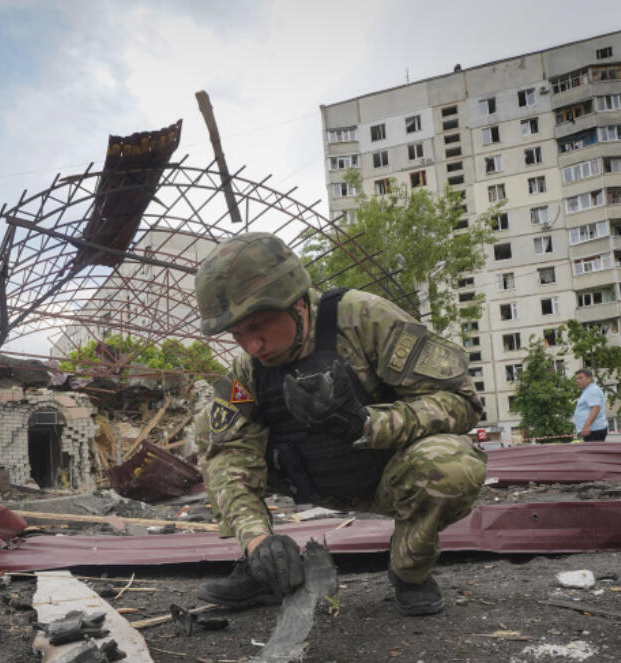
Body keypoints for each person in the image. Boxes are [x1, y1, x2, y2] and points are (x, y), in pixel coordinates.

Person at [193, 232, 487, 616]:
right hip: (304, 477)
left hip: (386, 475)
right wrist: (257, 540)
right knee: (212, 433)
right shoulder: (246, 371)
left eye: (260, 325)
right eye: (237, 334)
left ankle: (409, 572)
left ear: (297, 303)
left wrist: (369, 425)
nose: (252, 347)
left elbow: (462, 401)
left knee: (453, 464)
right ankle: (262, 570)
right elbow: (228, 455)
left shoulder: (363, 319)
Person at [573, 368, 607, 441]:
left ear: (590, 378)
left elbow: (595, 408)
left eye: (581, 378)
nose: (578, 381)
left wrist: (586, 426)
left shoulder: (592, 390)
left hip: (594, 430)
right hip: (592, 430)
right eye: (576, 379)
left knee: (595, 452)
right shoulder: (588, 390)